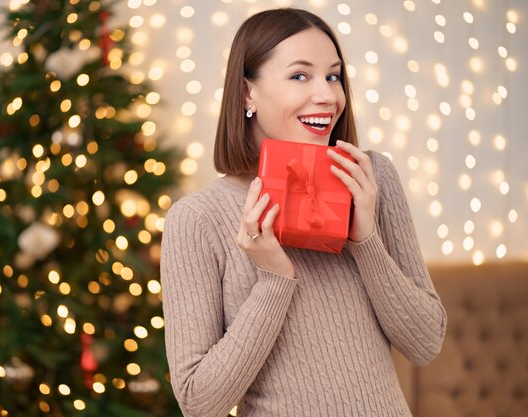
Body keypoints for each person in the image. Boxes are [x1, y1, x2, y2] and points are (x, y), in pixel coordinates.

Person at [160, 8, 446, 417]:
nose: (328, 96)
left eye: (333, 76)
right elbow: (199, 402)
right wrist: (273, 280)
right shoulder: (197, 219)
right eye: (300, 75)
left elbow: (425, 343)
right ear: (247, 93)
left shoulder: (370, 176)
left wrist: (365, 241)